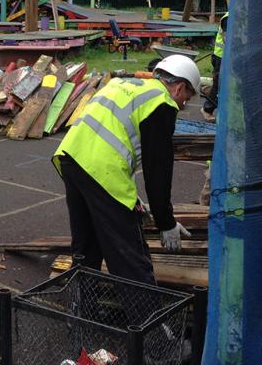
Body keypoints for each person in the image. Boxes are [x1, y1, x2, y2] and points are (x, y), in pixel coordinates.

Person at [52, 55, 201, 285]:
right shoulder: (161, 102)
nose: (182, 106)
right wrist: (166, 222)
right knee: (131, 258)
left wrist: (136, 202)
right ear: (179, 87)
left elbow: (113, 141)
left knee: (86, 249)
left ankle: (80, 314)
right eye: (186, 99)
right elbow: (158, 172)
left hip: (71, 158)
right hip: (101, 172)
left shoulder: (124, 84)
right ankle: (148, 320)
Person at [201, 12, 228, 123]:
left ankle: (209, 91)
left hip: (230, 55)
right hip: (221, 57)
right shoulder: (228, 18)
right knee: (219, 84)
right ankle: (207, 109)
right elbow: (227, 39)